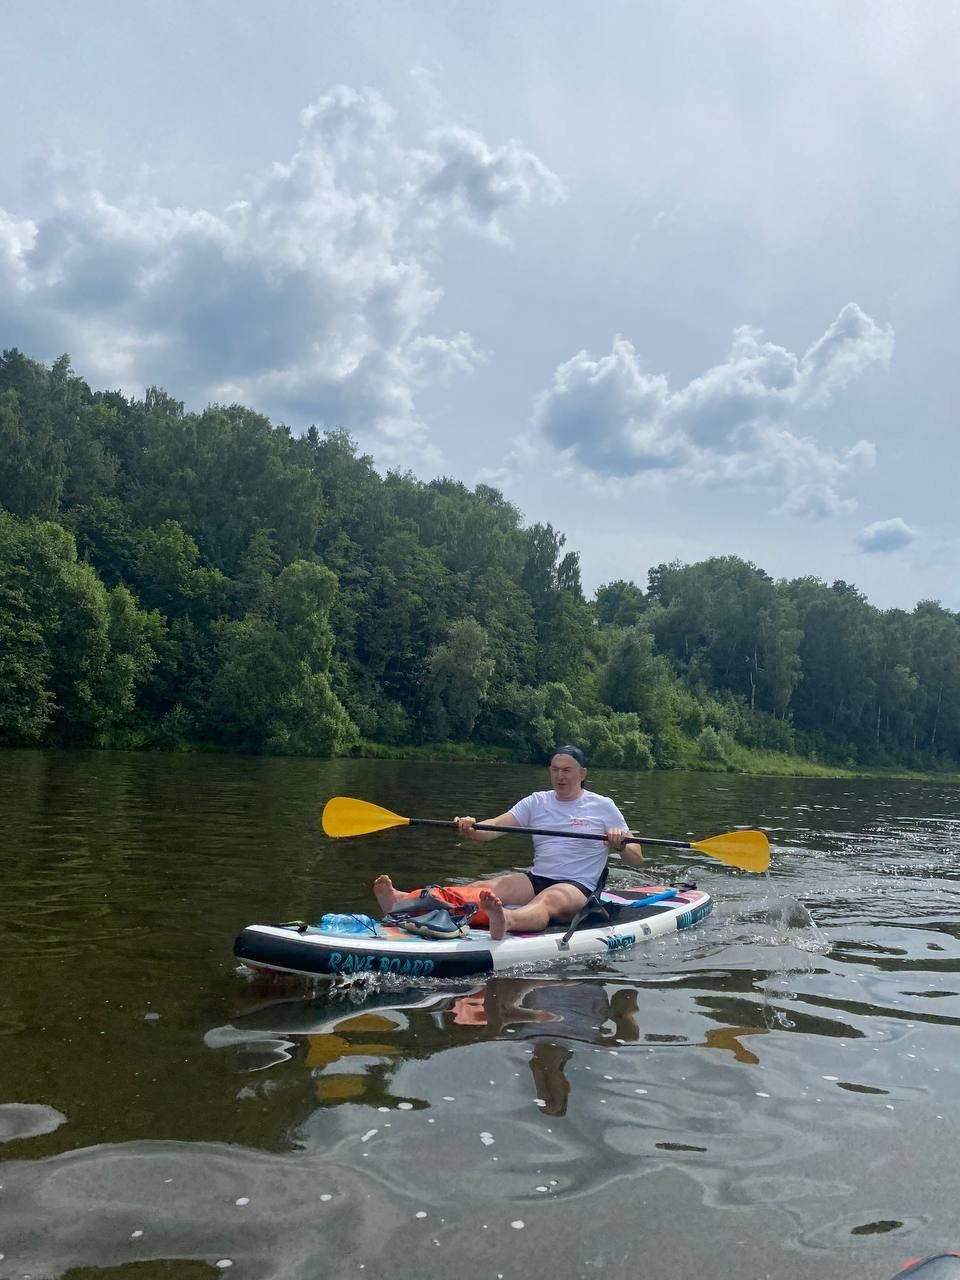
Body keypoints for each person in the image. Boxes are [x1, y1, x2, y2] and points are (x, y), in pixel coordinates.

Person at [372, 745, 644, 939]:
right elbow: (495, 827)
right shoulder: (537, 801)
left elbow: (636, 856)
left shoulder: (602, 806)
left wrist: (620, 844)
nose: (560, 776)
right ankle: (403, 903)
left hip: (578, 886)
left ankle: (506, 920)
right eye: (555, 770)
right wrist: (471, 826)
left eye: (567, 770)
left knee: (548, 900)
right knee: (479, 889)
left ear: (582, 773)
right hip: (537, 877)